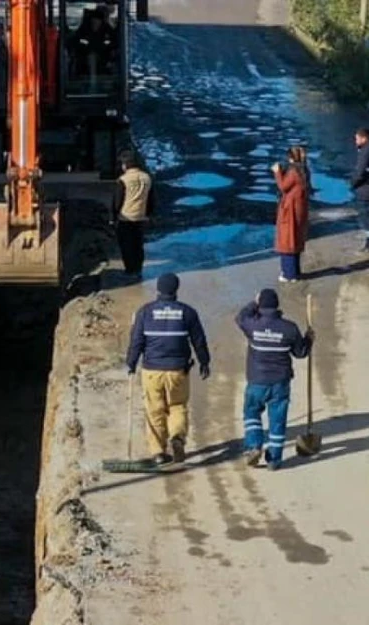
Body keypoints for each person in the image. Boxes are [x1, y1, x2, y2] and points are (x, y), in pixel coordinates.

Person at [126, 273, 212, 466]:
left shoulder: (145, 312)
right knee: (177, 406)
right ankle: (177, 438)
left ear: (158, 289)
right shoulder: (188, 312)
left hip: (152, 371)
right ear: (176, 289)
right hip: (178, 371)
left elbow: (136, 342)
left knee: (154, 410)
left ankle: (158, 452)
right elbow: (199, 340)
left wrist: (130, 363)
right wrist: (204, 362)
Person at [235, 289, 314, 470]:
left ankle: (254, 446)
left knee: (252, 413)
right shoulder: (289, 328)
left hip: (257, 380)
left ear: (260, 305)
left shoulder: (252, 325)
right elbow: (300, 353)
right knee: (277, 420)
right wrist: (309, 339)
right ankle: (274, 460)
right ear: (277, 306)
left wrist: (253, 303)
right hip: (280, 383)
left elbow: (240, 317)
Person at [110, 149, 154, 279]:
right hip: (141, 217)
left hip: (126, 217)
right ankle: (138, 268)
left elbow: (117, 201)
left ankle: (130, 269)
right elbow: (151, 199)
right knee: (138, 244)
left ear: (125, 165)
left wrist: (112, 217)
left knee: (126, 244)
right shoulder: (147, 178)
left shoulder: (123, 180)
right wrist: (149, 214)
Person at [271, 146, 310, 283]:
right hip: (300, 208)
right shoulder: (304, 169)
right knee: (296, 238)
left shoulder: (293, 171)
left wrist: (277, 172)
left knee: (287, 239)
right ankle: (295, 271)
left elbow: (283, 186)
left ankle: (289, 274)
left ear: (291, 157)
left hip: (290, 210)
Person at [69, 7, 116, 89]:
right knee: (91, 58)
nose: (95, 24)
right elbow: (75, 44)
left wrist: (110, 58)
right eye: (93, 21)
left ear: (101, 22)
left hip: (104, 62)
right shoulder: (83, 31)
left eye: (97, 21)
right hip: (84, 62)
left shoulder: (108, 32)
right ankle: (92, 85)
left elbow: (114, 45)